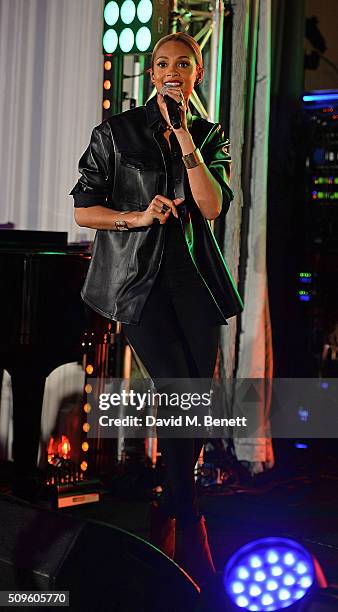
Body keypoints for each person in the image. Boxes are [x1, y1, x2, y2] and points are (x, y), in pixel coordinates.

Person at [71, 32, 242, 587]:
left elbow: (212, 206)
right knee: (176, 388)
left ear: (196, 73)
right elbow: (84, 210)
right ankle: (189, 524)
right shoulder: (115, 133)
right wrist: (137, 218)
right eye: (162, 63)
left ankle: (169, 504)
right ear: (150, 74)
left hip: (196, 283)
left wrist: (185, 138)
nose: (172, 71)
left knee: (195, 397)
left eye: (183, 64)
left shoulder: (209, 134)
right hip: (137, 285)